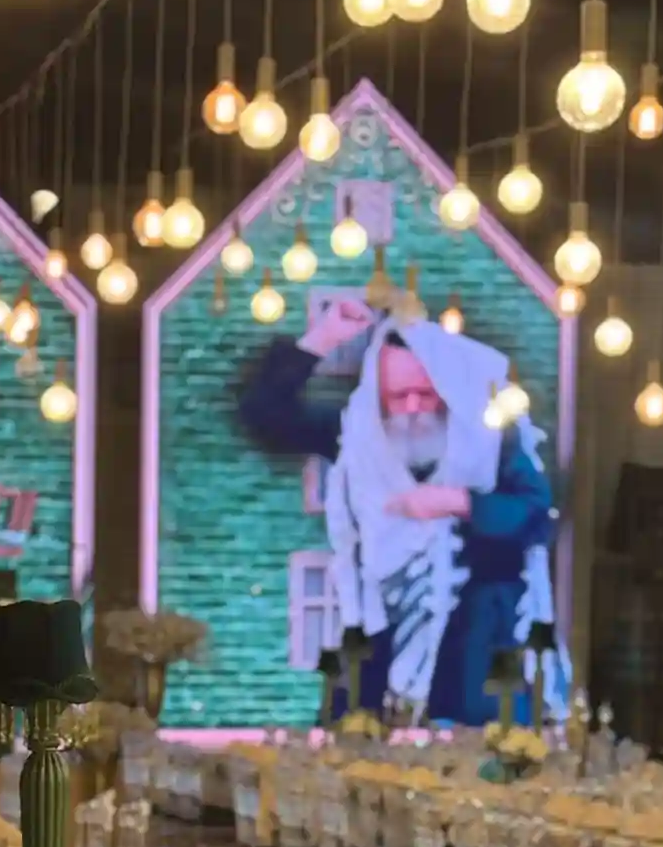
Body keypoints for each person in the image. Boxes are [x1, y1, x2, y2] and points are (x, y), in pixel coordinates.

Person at [239, 296, 558, 724]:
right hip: (376, 643)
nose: (410, 409)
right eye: (397, 396)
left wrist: (460, 502)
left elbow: (536, 514)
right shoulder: (358, 437)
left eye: (424, 395)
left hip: (476, 655)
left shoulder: (491, 443)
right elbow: (267, 416)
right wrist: (323, 339)